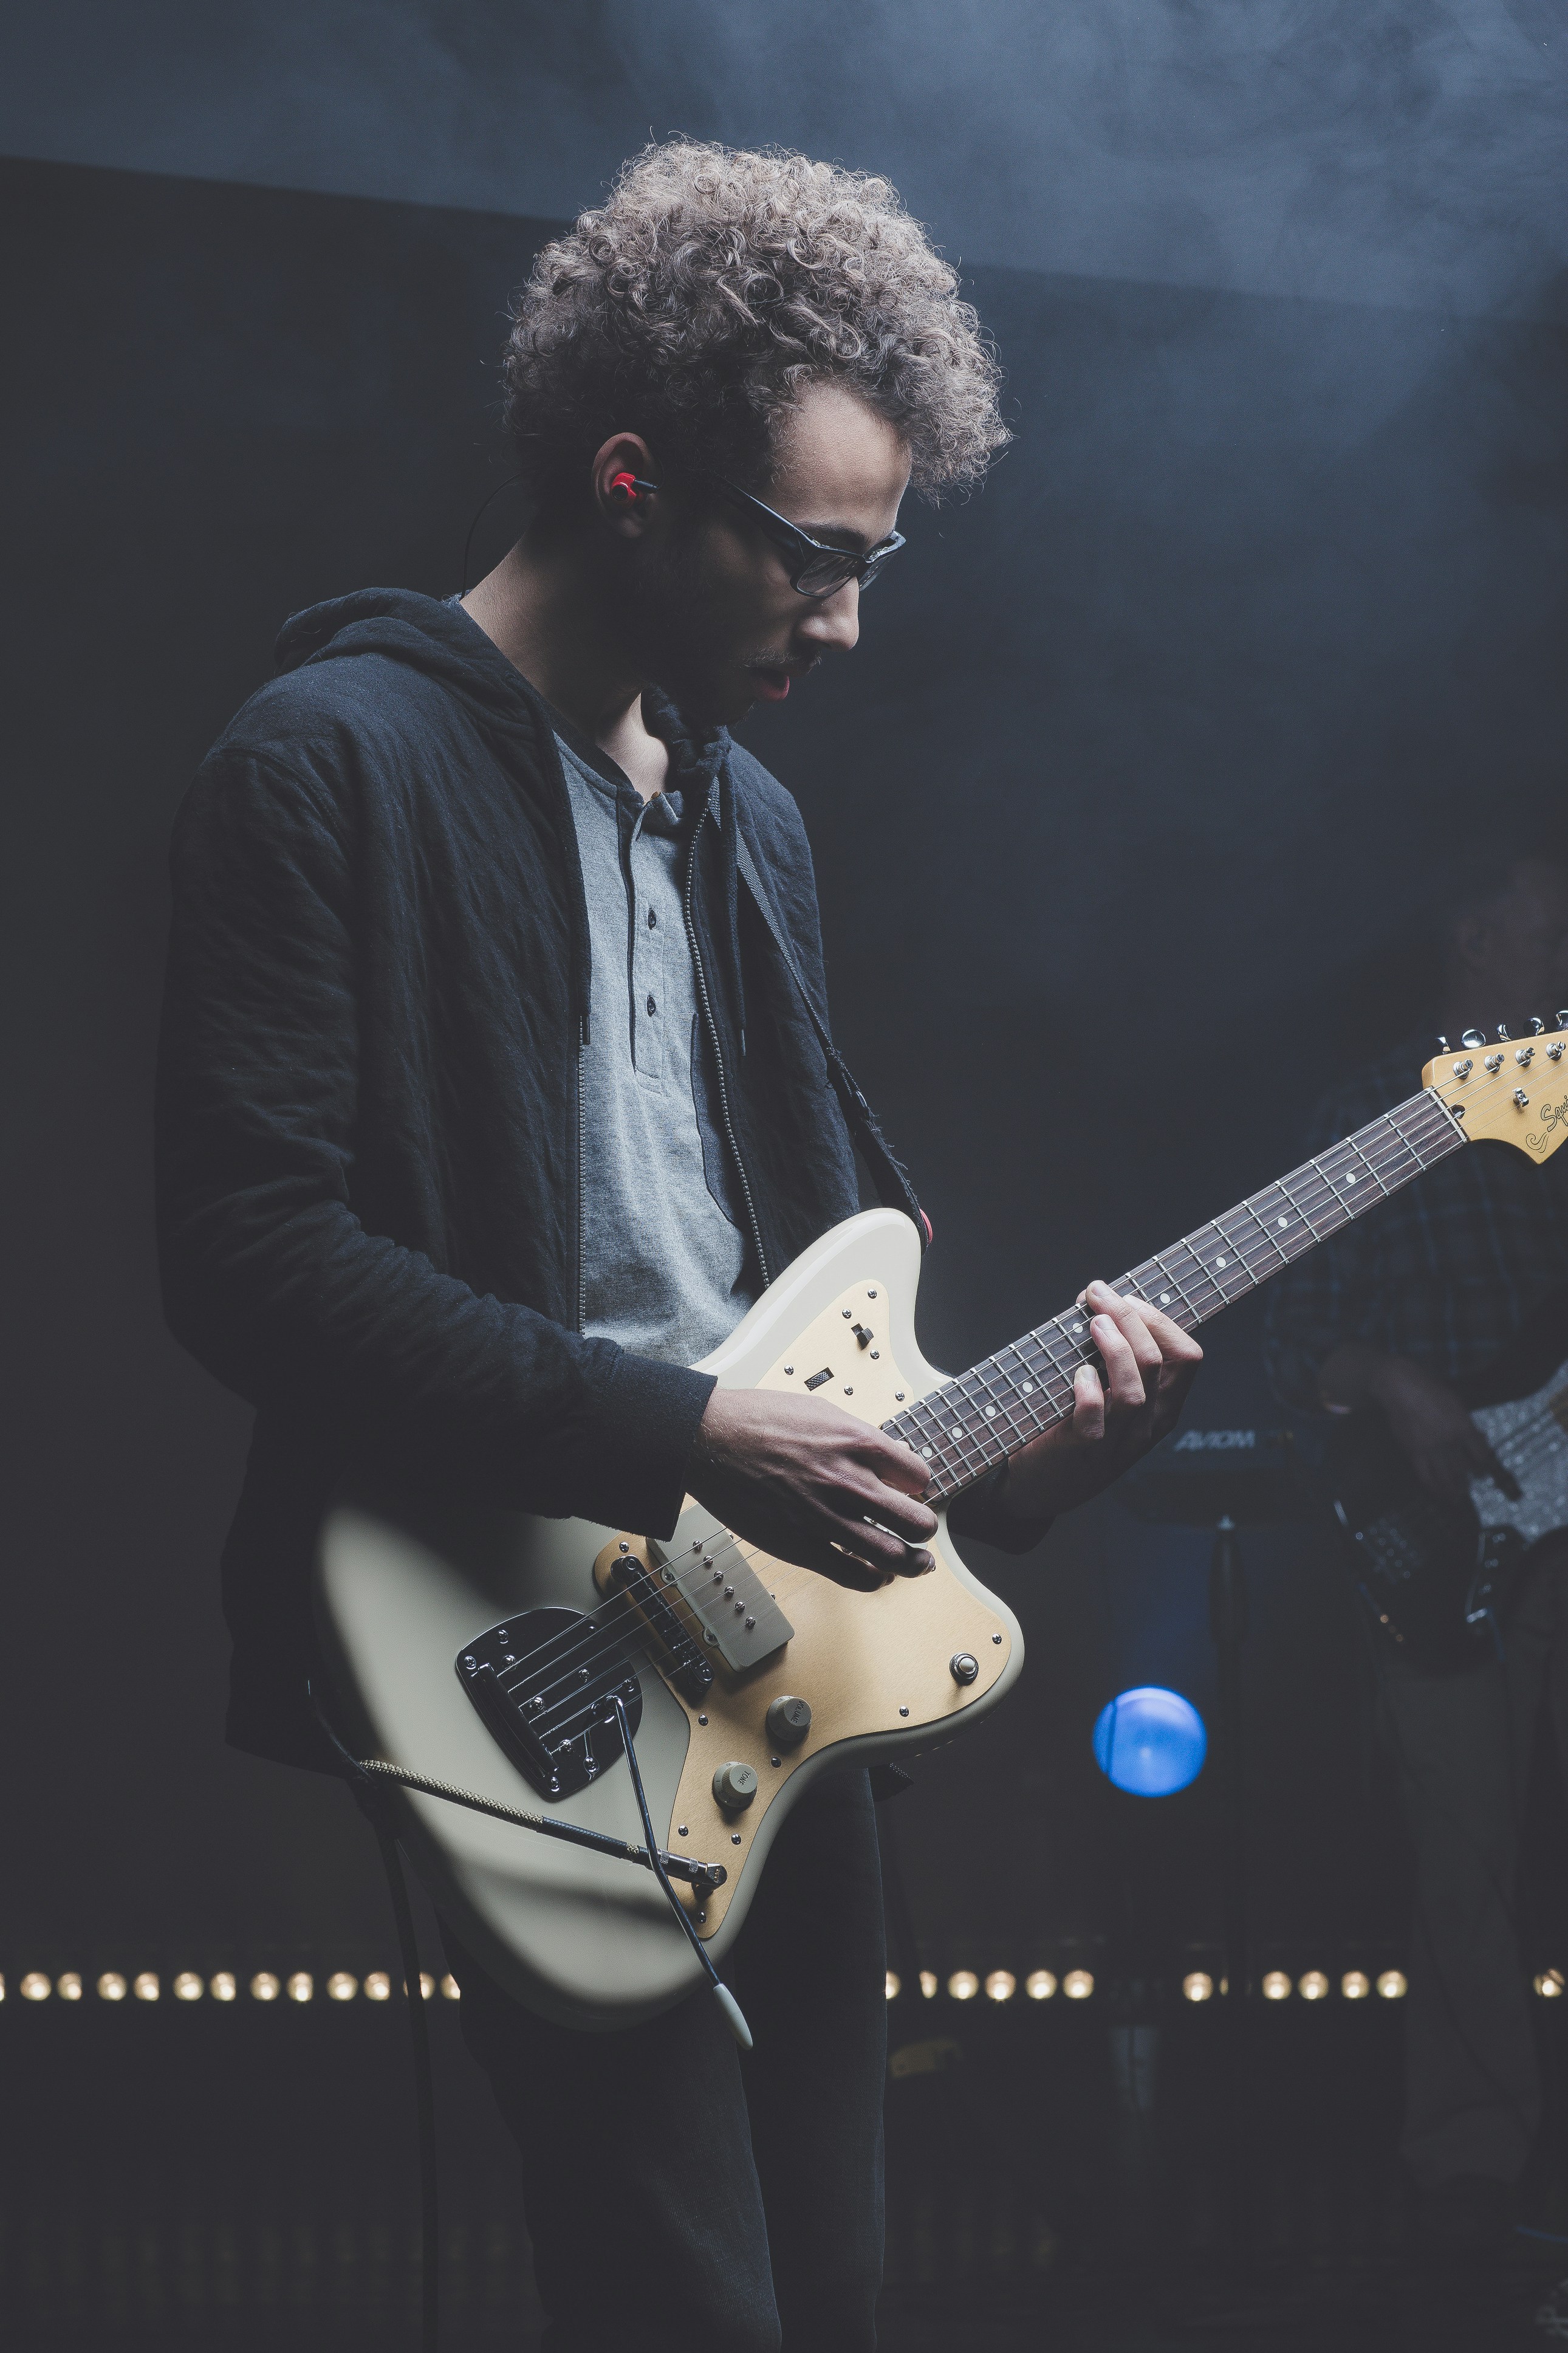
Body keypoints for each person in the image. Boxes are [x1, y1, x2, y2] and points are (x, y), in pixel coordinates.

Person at [156, 141, 1200, 2352]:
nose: (847, 622)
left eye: (875, 561)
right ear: (632, 483)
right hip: (518, 1645)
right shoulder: (322, 762)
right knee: (684, 2304)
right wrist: (681, 1432)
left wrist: (1030, 1468)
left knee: (827, 2286)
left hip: (773, 1651)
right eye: (813, 561)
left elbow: (818, 1299)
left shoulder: (757, 824)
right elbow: (248, 1254)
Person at [1264, 855, 1568, 2272]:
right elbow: (1283, 1346)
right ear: (1472, 935)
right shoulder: (1365, 1116)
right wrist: (1390, 1379)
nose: (1563, 947)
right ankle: (1470, 2166)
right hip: (1444, 1532)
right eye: (1545, 925)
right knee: (1464, 1854)